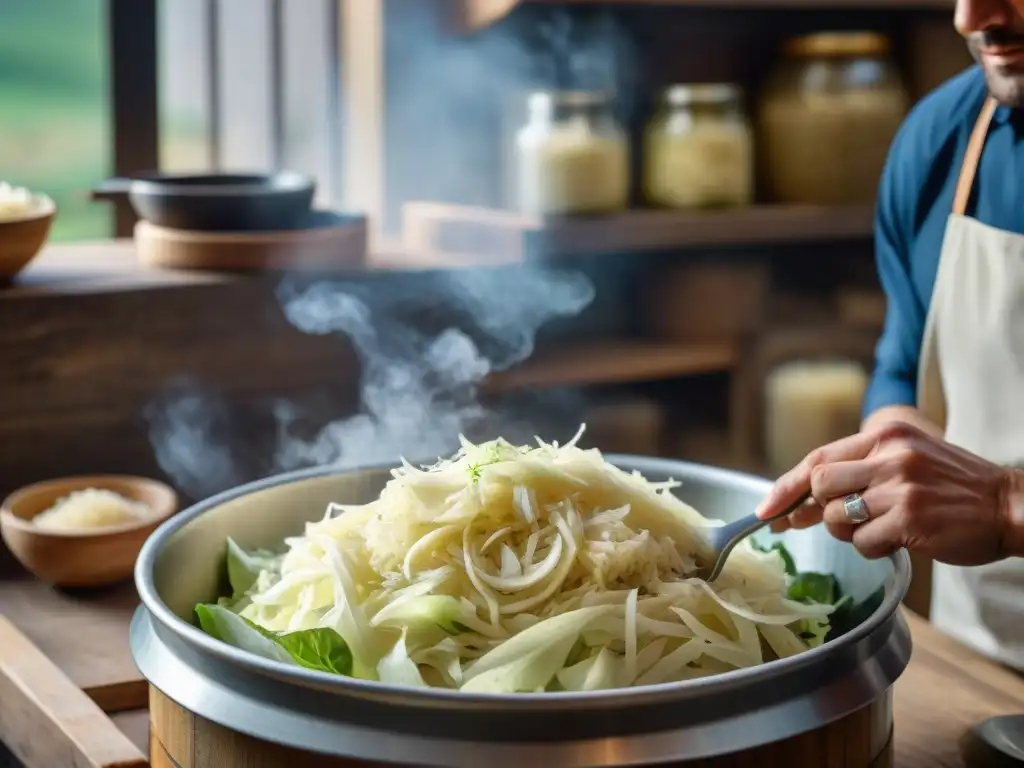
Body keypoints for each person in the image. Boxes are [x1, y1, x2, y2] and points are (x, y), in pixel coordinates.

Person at [755, 0, 1024, 670]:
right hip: (988, 668)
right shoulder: (942, 139)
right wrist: (893, 433)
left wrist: (1006, 505)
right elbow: (903, 359)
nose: (972, 18)